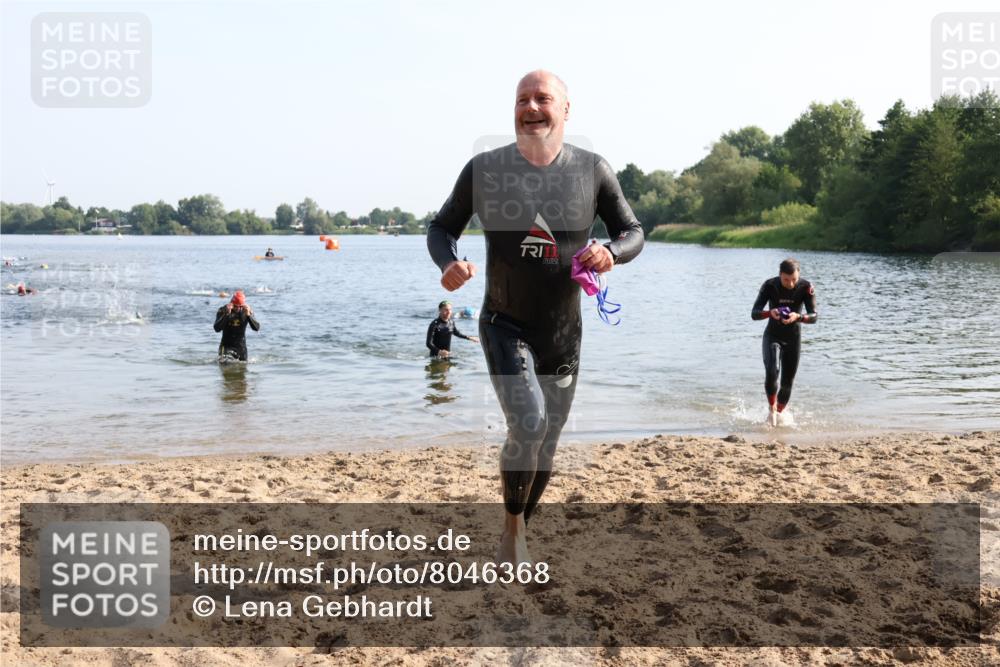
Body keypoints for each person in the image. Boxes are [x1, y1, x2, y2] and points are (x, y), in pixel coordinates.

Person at [426, 70, 644, 564]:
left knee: (546, 442)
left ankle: (519, 523)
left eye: (543, 98)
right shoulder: (485, 171)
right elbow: (442, 227)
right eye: (522, 99)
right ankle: (511, 532)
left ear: (566, 109)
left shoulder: (593, 170)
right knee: (529, 424)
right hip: (504, 322)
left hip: (563, 334)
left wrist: (612, 252)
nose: (531, 107)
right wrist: (449, 263)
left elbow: (633, 230)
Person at [751, 258, 818, 426]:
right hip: (773, 335)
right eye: (786, 279)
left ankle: (779, 413)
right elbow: (754, 313)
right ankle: (771, 409)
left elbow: (814, 316)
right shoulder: (770, 285)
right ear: (780, 275)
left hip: (793, 338)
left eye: (794, 279)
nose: (790, 283)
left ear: (799, 274)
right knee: (772, 372)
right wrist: (770, 312)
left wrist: (799, 317)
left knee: (787, 383)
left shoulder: (806, 287)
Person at [213, 290, 260, 361]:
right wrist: (227, 314)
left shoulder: (247, 311)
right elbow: (217, 329)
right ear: (231, 303)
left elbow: (257, 328)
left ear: (243, 305)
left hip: (241, 347)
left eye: (240, 306)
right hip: (226, 346)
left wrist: (249, 316)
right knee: (225, 365)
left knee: (242, 368)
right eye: (235, 306)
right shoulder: (223, 310)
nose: (237, 308)